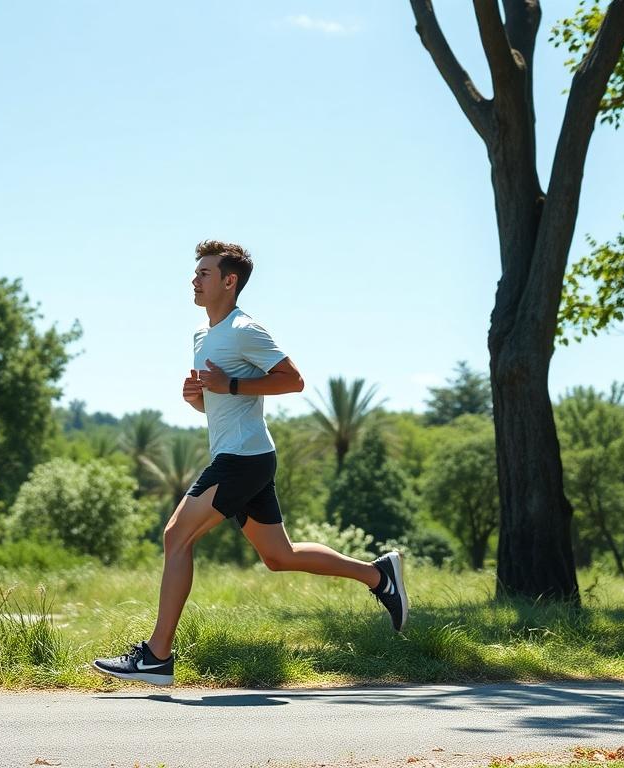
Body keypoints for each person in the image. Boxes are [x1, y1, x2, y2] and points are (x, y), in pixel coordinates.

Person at [92, 240, 408, 686]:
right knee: (279, 556)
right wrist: (199, 401)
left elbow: (293, 380)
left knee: (176, 536)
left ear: (229, 280)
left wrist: (232, 384)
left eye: (204, 272)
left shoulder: (245, 328)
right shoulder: (202, 335)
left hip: (242, 459)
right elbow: (221, 403)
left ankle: (157, 656)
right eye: (195, 272)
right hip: (245, 455)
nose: (195, 279)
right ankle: (378, 576)